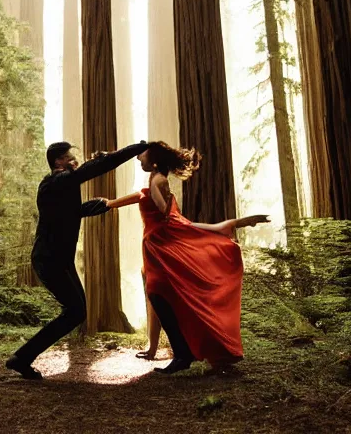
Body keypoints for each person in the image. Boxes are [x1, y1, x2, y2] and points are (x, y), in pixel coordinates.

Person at [107, 141, 269, 373]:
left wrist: (160, 202)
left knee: (160, 295)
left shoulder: (158, 181)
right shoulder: (154, 182)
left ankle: (184, 354)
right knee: (159, 297)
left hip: (163, 249)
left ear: (153, 162)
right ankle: (182, 353)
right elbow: (141, 197)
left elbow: (165, 213)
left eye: (141, 155)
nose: (137, 158)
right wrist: (109, 203)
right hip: (157, 249)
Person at [6, 140, 149, 379]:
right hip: (49, 260)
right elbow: (96, 168)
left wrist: (102, 205)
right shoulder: (56, 181)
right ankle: (21, 358)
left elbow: (70, 212)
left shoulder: (60, 186)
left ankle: (22, 358)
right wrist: (137, 148)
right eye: (69, 157)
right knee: (75, 311)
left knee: (77, 312)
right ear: (58, 162)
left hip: (59, 260)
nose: (74, 160)